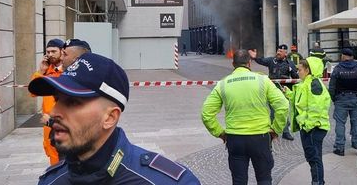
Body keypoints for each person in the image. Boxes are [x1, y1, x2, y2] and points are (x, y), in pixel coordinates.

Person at [29, 52, 200, 184]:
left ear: (110, 117)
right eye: (57, 100)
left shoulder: (166, 182)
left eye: (73, 102)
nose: (53, 112)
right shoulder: (51, 181)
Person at [201, 49, 289, 185]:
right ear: (249, 63)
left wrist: (220, 133)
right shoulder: (262, 80)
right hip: (260, 138)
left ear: (233, 64)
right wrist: (276, 129)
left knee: (239, 181)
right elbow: (283, 106)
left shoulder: (223, 84)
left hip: (235, 139)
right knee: (264, 179)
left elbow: (206, 113)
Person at [282, 59, 331, 185]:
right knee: (313, 158)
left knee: (314, 159)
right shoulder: (306, 83)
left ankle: (318, 182)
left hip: (313, 128)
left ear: (308, 70)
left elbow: (316, 108)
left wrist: (307, 126)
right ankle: (318, 181)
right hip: (310, 127)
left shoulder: (314, 84)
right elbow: (303, 102)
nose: (297, 72)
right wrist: (289, 94)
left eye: (299, 70)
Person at [249, 44, 299, 141]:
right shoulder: (271, 60)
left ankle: (285, 132)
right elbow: (261, 61)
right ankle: (272, 131)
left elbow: (296, 77)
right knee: (273, 112)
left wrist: (292, 71)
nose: (278, 53)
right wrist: (255, 57)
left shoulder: (290, 63)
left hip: (284, 90)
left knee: (284, 110)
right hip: (272, 89)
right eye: (277, 51)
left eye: (280, 52)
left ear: (285, 53)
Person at [31, 38, 66, 165]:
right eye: (48, 52)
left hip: (65, 121)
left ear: (62, 51)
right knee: (52, 154)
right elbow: (33, 92)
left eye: (53, 51)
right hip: (48, 123)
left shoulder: (68, 70)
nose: (50, 54)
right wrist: (41, 72)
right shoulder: (46, 71)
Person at [328, 48, 357, 156]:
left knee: (340, 123)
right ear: (352, 57)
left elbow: (332, 87)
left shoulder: (338, 69)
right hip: (356, 98)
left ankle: (339, 148)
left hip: (341, 99)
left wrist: (334, 98)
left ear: (343, 56)